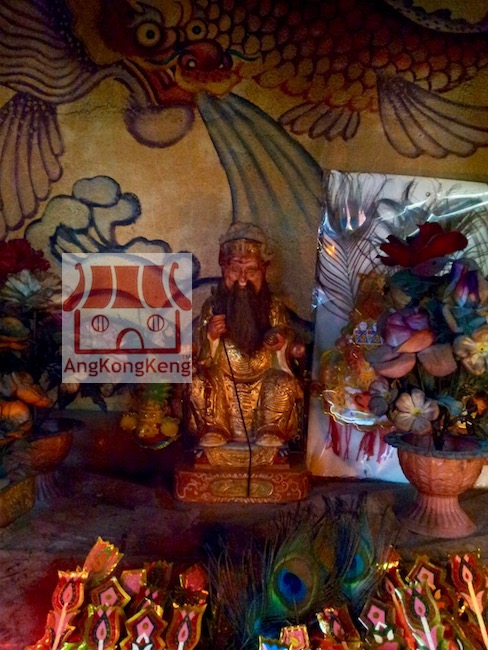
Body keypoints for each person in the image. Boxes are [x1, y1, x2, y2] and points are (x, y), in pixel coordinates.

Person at [189, 222, 304, 448]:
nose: (242, 280)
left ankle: (270, 428)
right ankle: (214, 428)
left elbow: (287, 341)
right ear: (224, 270)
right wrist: (211, 336)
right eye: (235, 271)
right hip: (222, 382)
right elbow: (200, 353)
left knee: (284, 384)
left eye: (251, 272)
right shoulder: (213, 306)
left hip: (264, 380)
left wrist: (282, 344)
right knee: (198, 382)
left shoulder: (273, 306)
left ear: (263, 270)